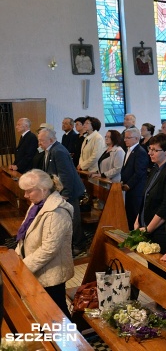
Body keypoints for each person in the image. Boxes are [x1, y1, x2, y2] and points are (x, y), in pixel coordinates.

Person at [16, 169, 74, 318]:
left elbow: (49, 249)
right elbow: (25, 233)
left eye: (29, 191)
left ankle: (71, 341)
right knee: (45, 312)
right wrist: (17, 255)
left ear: (44, 189)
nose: (25, 195)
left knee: (57, 314)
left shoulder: (56, 212)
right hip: (38, 268)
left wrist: (23, 268)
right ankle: (49, 339)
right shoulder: (38, 204)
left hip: (51, 273)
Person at [37, 128, 86, 256]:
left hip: (69, 191)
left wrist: (65, 194)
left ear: (51, 140)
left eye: (41, 141)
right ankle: (70, 243)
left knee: (73, 218)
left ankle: (79, 244)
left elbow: (66, 174)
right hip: (60, 190)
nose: (39, 143)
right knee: (66, 218)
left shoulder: (58, 151)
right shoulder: (51, 150)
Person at [135, 134, 166, 253]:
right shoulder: (155, 168)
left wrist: (149, 229)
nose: (150, 153)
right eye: (150, 149)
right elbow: (146, 195)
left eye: (155, 150)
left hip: (161, 230)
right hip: (148, 226)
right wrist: (138, 220)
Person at [121, 128, 150, 231]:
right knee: (129, 214)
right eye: (125, 137)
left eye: (128, 137)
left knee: (134, 215)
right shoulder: (129, 150)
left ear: (137, 138)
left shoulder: (140, 152)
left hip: (136, 189)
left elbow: (140, 172)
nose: (125, 140)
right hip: (129, 189)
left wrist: (129, 184)